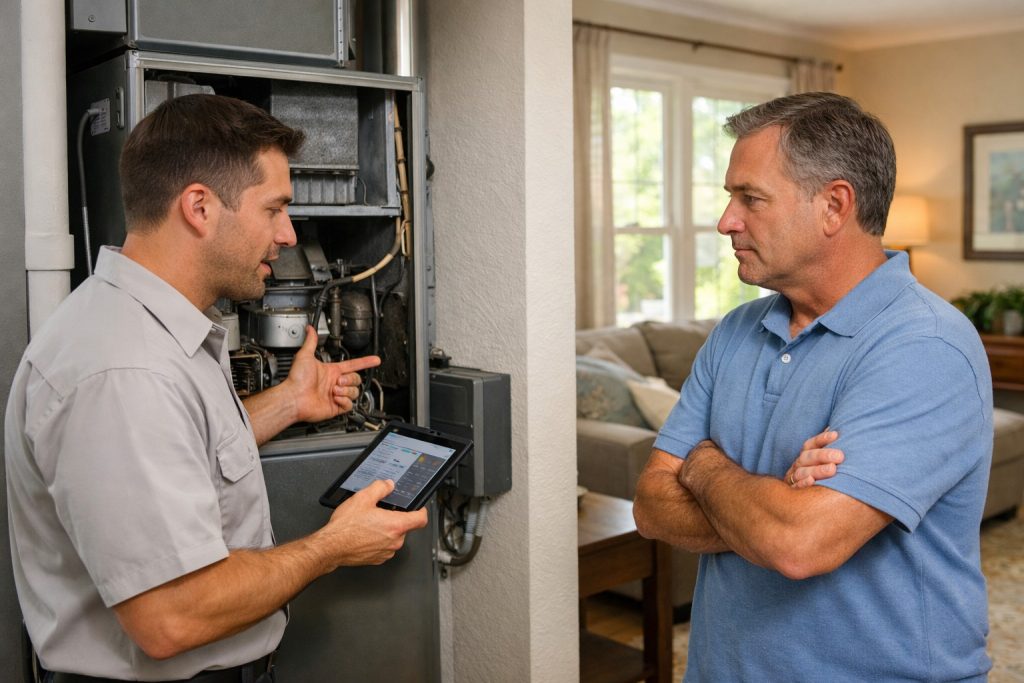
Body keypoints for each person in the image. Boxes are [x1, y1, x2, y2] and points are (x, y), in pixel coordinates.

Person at [4, 94, 428, 682]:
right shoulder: (122, 372)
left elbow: (181, 445)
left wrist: (288, 401)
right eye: (274, 208)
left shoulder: (153, 330)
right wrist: (333, 545)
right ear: (199, 207)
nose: (286, 235)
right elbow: (171, 617)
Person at [633, 92, 992, 681]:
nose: (726, 221)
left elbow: (798, 546)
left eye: (750, 198)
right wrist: (774, 501)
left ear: (834, 206)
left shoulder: (925, 346)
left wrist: (701, 466)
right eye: (730, 199)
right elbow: (650, 507)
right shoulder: (734, 332)